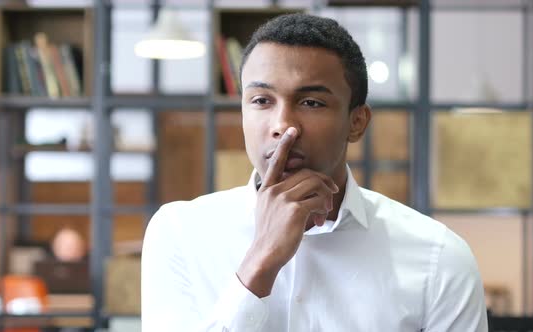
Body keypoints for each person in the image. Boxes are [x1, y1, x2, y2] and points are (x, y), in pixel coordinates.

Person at [141, 13, 488, 332]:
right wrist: (260, 263)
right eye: (262, 100)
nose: (283, 126)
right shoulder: (179, 234)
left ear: (356, 122)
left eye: (311, 103)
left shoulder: (438, 259)